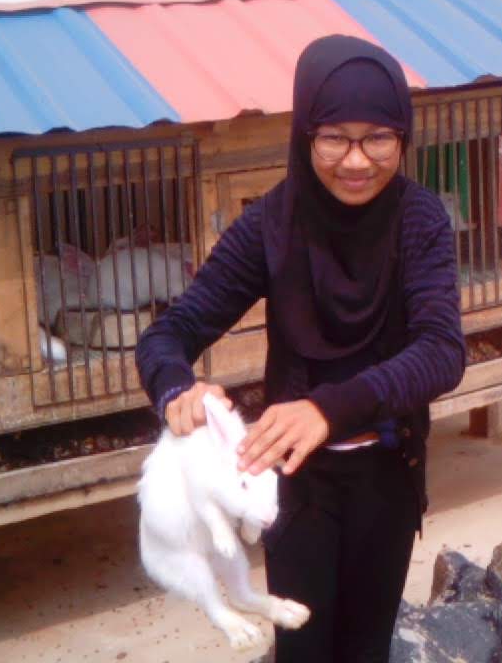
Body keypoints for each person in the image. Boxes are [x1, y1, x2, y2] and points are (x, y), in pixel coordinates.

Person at [137, 34, 466, 662]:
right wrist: (176, 387)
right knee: (304, 650)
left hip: (388, 474)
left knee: (365, 651)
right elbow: (168, 334)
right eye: (334, 137)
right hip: (293, 483)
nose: (356, 161)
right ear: (305, 133)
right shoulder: (271, 224)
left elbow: (441, 350)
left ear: (404, 136)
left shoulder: (419, 220)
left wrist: (326, 409)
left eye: (378, 137)